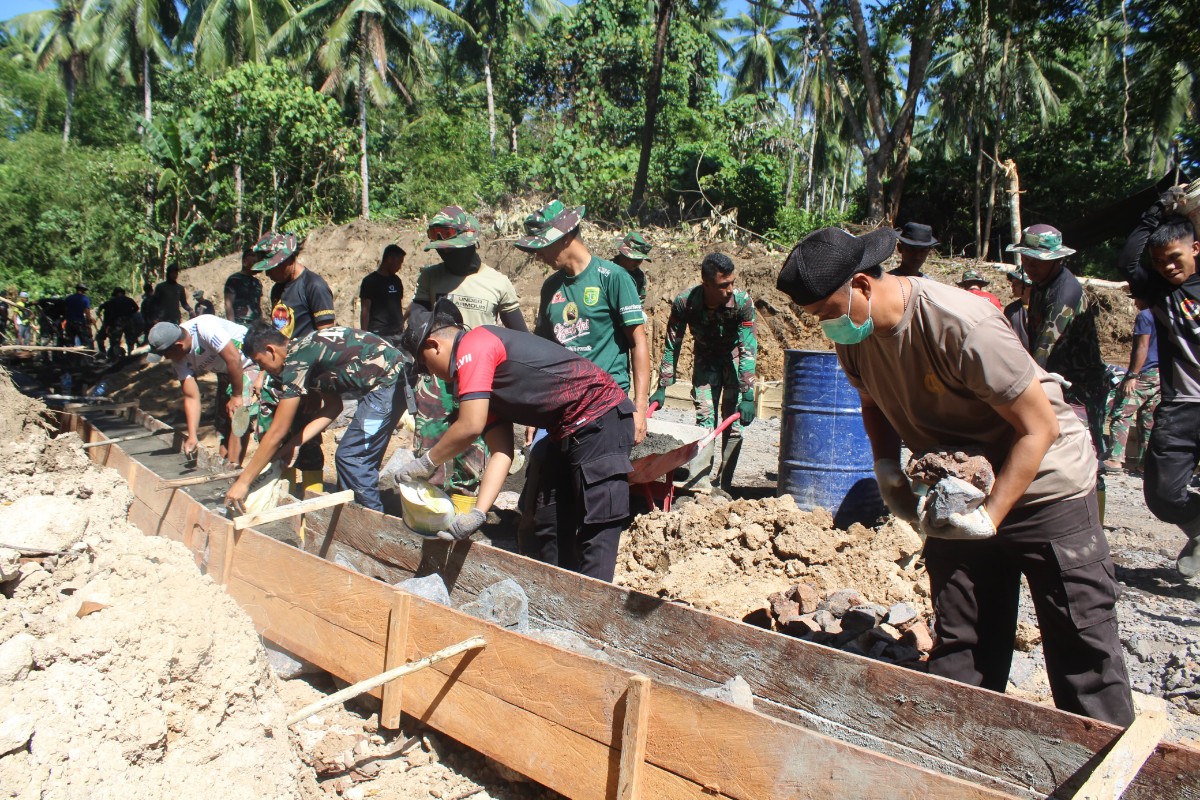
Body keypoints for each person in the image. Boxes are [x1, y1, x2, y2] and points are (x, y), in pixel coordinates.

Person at [776, 226, 1134, 726]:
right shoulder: (855, 336)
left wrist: (990, 520)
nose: (826, 327)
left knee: (1081, 649)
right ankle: (956, 761)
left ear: (860, 286)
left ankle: (1114, 770)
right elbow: (873, 404)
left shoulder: (959, 322)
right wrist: (886, 472)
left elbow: (1040, 426)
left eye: (826, 314)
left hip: (1043, 486)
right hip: (959, 488)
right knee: (962, 643)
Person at [394, 303, 635, 580]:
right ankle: (557, 602)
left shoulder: (475, 344)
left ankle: (593, 614)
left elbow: (470, 426)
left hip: (600, 416)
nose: (431, 374)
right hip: (565, 429)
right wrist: (479, 513)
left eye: (425, 364)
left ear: (434, 345)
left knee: (597, 525)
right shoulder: (473, 382)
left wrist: (426, 463)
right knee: (548, 522)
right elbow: (501, 452)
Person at [515, 199, 649, 569]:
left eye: (542, 245)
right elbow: (543, 351)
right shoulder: (551, 289)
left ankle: (589, 607)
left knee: (597, 517)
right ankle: (553, 592)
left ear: (564, 238)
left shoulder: (613, 279)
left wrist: (638, 406)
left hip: (604, 413)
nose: (538, 255)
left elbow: (638, 341)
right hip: (560, 412)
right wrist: (534, 411)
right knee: (546, 514)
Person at [411, 206, 526, 505]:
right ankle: (428, 515)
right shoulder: (431, 277)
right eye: (440, 250)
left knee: (472, 457)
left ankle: (462, 517)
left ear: (472, 242)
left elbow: (519, 335)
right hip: (437, 380)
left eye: (450, 249)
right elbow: (417, 323)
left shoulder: (498, 282)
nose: (444, 256)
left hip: (478, 381)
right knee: (430, 449)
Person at [225, 324, 406, 514]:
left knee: (352, 458)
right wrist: (293, 445)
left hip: (390, 382)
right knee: (353, 456)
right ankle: (352, 517)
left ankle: (370, 526)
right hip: (387, 382)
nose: (264, 370)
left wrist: (244, 482)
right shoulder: (305, 351)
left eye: (261, 363)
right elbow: (333, 406)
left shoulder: (297, 361)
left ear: (270, 350)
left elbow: (277, 432)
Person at [1116, 191, 1200, 577]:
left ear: (1195, 248)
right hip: (1181, 406)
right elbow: (1128, 260)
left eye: (1174, 258)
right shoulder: (1163, 294)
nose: (1167, 267)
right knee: (1162, 497)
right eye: (1159, 261)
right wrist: (1155, 212)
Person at [1008, 224, 1109, 508]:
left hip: (1081, 387)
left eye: (1037, 261)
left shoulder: (1064, 293)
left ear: (1057, 259)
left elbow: (1043, 348)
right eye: (1026, 260)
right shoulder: (1041, 286)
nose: (1029, 266)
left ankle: (1094, 525)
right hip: (1059, 381)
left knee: (1089, 459)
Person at [650, 253, 757, 491]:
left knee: (734, 424)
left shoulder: (742, 302)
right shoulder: (685, 302)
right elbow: (672, 343)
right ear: (706, 283)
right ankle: (700, 483)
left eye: (732, 282)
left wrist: (748, 394)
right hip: (705, 363)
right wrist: (662, 386)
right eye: (723, 285)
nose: (730, 289)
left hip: (733, 363)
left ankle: (724, 485)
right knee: (705, 420)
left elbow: (747, 348)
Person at [253, 231, 336, 496]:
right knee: (280, 440)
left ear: (289, 259)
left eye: (272, 267)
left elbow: (326, 339)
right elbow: (275, 337)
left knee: (307, 444)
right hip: (281, 377)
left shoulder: (314, 286)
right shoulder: (278, 289)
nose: (268, 275)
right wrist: (261, 373)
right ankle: (283, 499)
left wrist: (315, 389)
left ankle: (311, 506)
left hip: (306, 379)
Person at [147, 316, 256, 466]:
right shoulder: (179, 357)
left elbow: (234, 358)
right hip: (226, 371)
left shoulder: (204, 327)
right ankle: (222, 465)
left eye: (165, 353)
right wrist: (192, 436)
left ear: (178, 346)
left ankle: (232, 472)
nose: (166, 358)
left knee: (238, 417)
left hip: (249, 361)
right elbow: (191, 396)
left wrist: (237, 396)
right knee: (223, 423)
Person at [1103, 296, 1160, 474]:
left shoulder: (1145, 316)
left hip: (1144, 373)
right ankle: (1146, 464)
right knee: (1149, 419)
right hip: (1161, 375)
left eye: (1136, 297)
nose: (1135, 302)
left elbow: (1142, 346)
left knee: (1121, 412)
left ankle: (1115, 459)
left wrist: (1132, 375)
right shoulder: (1164, 314)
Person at [360, 243, 407, 345]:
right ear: (389, 259)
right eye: (399, 262)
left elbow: (398, 307)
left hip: (398, 334)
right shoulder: (369, 281)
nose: (400, 267)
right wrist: (364, 336)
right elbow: (365, 310)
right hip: (379, 335)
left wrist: (402, 326)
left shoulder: (397, 281)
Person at [225, 248, 264, 326]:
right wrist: (232, 326)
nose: (256, 259)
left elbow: (258, 305)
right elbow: (228, 304)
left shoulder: (257, 282)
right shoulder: (234, 279)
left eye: (257, 256)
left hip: (256, 325)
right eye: (252, 255)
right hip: (241, 323)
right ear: (245, 261)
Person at [95, 287, 139, 358]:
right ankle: (131, 355)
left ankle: (116, 357)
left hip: (118, 322)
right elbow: (136, 308)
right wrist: (129, 313)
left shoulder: (112, 301)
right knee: (130, 339)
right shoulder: (129, 300)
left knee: (115, 341)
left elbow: (104, 308)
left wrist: (107, 324)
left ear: (115, 294)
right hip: (128, 321)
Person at [612, 231, 653, 305]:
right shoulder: (604, 270)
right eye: (635, 259)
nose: (637, 263)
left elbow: (639, 303)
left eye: (640, 260)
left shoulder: (639, 276)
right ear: (623, 255)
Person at [1002, 269, 1033, 349]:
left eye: (1016, 283)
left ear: (1028, 285)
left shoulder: (1041, 307)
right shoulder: (1010, 310)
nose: (1012, 286)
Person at [63, 283, 94, 349]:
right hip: (79, 322)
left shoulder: (68, 298)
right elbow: (87, 312)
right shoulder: (85, 299)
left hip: (70, 322)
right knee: (84, 342)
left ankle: (70, 357)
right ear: (83, 291)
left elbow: (65, 310)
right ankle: (85, 357)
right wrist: (89, 320)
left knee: (69, 342)